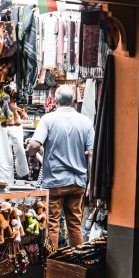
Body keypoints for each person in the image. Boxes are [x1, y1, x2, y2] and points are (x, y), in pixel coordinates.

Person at [27, 85, 95, 247]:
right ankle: (76, 264)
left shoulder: (48, 119)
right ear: (73, 100)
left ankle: (52, 266)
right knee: (75, 224)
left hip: (55, 182)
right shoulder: (85, 121)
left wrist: (31, 155)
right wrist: (90, 181)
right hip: (78, 182)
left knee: (52, 225)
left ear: (55, 100)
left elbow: (35, 145)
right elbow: (91, 153)